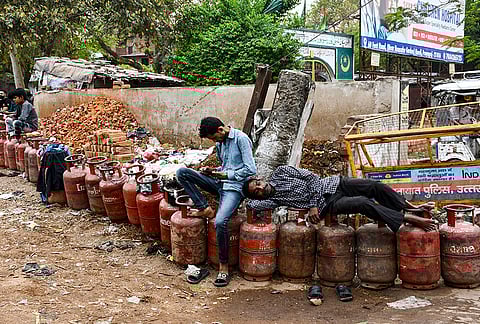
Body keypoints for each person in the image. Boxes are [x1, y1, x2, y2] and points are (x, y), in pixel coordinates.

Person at [176, 117, 256, 287]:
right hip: (220, 183)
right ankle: (205, 208)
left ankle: (224, 267)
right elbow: (225, 167)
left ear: (221, 130)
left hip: (234, 188)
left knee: (220, 222)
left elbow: (250, 169)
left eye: (214, 138)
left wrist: (225, 175)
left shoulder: (241, 139)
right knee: (182, 173)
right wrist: (212, 172)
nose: (214, 142)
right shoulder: (220, 144)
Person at [243, 165, 436, 232]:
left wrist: (311, 206)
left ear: (261, 179)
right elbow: (250, 203)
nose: (260, 189)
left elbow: (312, 178)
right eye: (256, 191)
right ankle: (408, 218)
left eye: (258, 184)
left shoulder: (281, 172)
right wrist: (232, 183)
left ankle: (409, 207)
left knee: (373, 186)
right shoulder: (273, 200)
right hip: (328, 204)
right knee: (362, 203)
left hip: (334, 184)